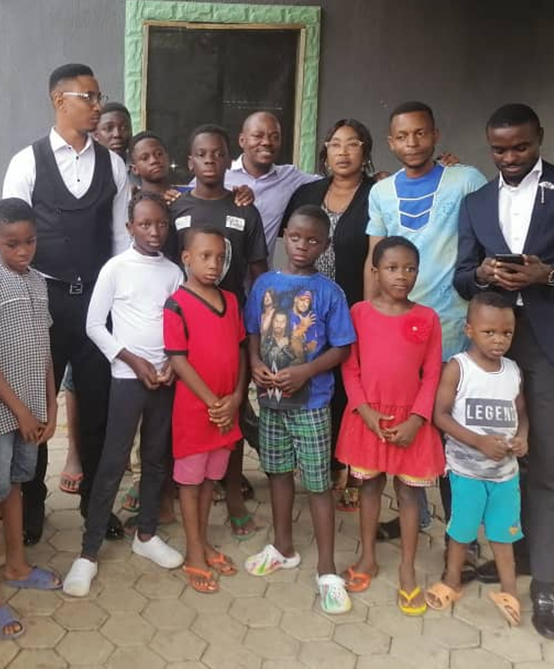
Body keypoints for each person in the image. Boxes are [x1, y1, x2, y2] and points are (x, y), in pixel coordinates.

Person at [454, 103, 554, 639]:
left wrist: (550, 274)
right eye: (499, 149)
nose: (509, 158)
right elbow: (461, 275)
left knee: (548, 465)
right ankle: (518, 553)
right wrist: (479, 271)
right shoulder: (477, 201)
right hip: (492, 352)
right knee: (504, 460)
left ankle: (545, 583)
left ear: (539, 138)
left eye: (519, 147)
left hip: (550, 349)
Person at [2, 63, 132, 545]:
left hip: (97, 303)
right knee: (37, 404)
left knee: (99, 408)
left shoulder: (114, 166)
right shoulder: (27, 163)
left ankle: (96, 507)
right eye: (90, 97)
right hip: (43, 302)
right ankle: (32, 505)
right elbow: (11, 239)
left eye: (99, 97)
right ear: (60, 100)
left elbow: (121, 239)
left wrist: (118, 304)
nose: (99, 106)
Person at [367, 101, 485, 558]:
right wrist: (369, 316)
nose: (411, 143)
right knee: (405, 418)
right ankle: (417, 511)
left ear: (436, 135)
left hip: (453, 325)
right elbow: (374, 257)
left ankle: (465, 534)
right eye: (402, 136)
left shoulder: (465, 180)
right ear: (391, 141)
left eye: (420, 134)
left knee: (451, 428)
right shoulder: (382, 193)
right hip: (400, 331)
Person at [63, 192, 185, 597]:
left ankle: (146, 534)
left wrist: (171, 363)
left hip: (165, 378)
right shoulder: (116, 268)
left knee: (155, 459)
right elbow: (95, 325)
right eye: (145, 224)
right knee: (113, 463)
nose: (154, 232)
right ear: (130, 227)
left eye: (161, 224)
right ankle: (89, 551)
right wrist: (133, 361)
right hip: (128, 378)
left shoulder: (173, 272)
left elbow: (178, 326)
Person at [242, 206, 355, 615]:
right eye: (296, 237)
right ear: (284, 236)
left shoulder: (330, 292)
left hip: (312, 403)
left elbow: (342, 347)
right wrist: (254, 363)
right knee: (277, 473)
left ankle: (327, 569)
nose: (303, 246)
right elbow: (253, 329)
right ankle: (283, 546)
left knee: (318, 483)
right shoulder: (264, 285)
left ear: (324, 245)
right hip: (271, 401)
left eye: (313, 240)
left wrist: (306, 370)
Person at [166, 123, 268, 539]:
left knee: (235, 413)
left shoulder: (245, 208)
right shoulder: (177, 207)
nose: (210, 160)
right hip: (189, 326)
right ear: (191, 162)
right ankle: (176, 489)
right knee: (191, 410)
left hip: (233, 321)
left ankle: (234, 490)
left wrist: (262, 321)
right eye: (202, 154)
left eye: (218, 154)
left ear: (230, 160)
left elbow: (258, 270)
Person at [0, 198, 62, 638]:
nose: (23, 251)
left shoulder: (40, 283)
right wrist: (20, 409)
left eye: (30, 242)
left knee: (18, 484)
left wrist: (51, 403)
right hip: (0, 409)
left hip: (34, 408)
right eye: (12, 243)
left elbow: (44, 349)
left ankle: (17, 565)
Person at [335, 237, 445, 616]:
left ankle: (407, 569)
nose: (402, 276)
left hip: (410, 422)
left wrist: (418, 419)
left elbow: (432, 374)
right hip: (369, 419)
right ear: (375, 271)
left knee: (410, 496)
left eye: (410, 268)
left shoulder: (427, 318)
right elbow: (350, 367)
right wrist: (363, 411)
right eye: (393, 268)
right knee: (368, 488)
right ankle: (367, 558)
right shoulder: (359, 313)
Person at [281, 119, 378, 510]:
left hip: (354, 307)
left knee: (352, 388)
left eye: (352, 144)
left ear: (365, 153)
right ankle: (315, 464)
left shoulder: (377, 194)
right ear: (325, 150)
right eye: (335, 144)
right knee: (315, 387)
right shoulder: (307, 191)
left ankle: (353, 470)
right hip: (307, 313)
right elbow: (287, 236)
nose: (343, 152)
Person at [428, 293, 529, 627]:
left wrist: (522, 438)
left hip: (505, 475)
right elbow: (440, 416)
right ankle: (451, 582)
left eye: (506, 333)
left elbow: (521, 413)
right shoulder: (458, 368)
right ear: (469, 329)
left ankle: (509, 591)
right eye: (489, 332)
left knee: (504, 534)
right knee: (462, 532)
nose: (499, 340)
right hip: (466, 471)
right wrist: (479, 442)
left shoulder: (513, 371)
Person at [163, 226, 248, 594]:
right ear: (186, 258)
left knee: (211, 478)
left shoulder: (231, 301)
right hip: (196, 411)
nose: (214, 265)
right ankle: (194, 551)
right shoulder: (176, 304)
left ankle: (204, 543)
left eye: (219, 257)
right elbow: (178, 361)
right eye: (204, 257)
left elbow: (241, 351)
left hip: (226, 410)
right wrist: (213, 401)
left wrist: (236, 397)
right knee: (190, 480)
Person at [225, 110, 319, 251]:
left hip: (262, 270)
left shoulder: (290, 177)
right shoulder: (221, 174)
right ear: (242, 140)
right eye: (258, 136)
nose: (267, 142)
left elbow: (333, 183)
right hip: (217, 269)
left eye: (274, 137)